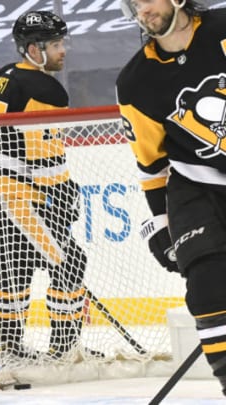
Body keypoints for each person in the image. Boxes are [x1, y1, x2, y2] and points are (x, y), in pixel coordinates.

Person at [0, 10, 100, 362]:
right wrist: (63, 188)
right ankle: (64, 350)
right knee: (70, 262)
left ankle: (9, 348)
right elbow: (43, 156)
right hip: (7, 192)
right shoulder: (44, 88)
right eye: (55, 44)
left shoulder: (2, 77)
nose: (62, 50)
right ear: (34, 50)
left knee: (13, 269)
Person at [117, 0, 226, 396]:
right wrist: (161, 222)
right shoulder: (135, 82)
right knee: (208, 287)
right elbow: (151, 165)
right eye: (133, 4)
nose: (140, 9)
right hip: (194, 185)